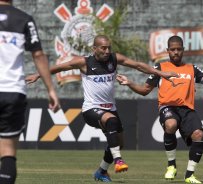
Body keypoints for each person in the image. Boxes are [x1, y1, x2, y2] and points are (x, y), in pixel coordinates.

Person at [26, 34, 177, 182]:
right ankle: (118, 160)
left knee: (119, 143)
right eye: (103, 48)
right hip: (91, 109)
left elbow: (138, 65)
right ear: (94, 48)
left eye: (108, 48)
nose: (106, 51)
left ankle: (101, 171)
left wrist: (161, 73)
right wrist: (37, 75)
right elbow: (59, 67)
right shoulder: (84, 62)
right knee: (111, 121)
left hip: (110, 108)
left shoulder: (114, 58)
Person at [116, 35, 203, 183]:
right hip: (168, 107)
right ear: (168, 51)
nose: (176, 52)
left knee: (199, 134)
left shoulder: (192, 69)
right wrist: (129, 83)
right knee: (171, 124)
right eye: (173, 49)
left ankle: (189, 175)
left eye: (179, 49)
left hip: (187, 109)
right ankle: (171, 166)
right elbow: (144, 90)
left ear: (183, 50)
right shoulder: (160, 68)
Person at [0, 0, 60, 183]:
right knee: (8, 151)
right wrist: (51, 89)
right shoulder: (24, 19)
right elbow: (38, 55)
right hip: (12, 91)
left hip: (11, 90)